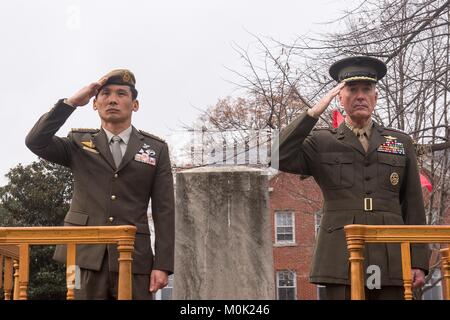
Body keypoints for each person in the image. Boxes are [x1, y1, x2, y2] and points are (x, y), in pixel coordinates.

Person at [272, 56, 430, 299]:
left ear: (375, 97)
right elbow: (277, 155)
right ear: (339, 97)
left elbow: (413, 205)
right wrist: (312, 114)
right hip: (340, 254)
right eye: (352, 90)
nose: (360, 96)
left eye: (367, 90)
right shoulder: (322, 141)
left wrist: (419, 260)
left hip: (392, 254)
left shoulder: (400, 142)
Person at [25, 69, 175, 300]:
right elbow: (35, 141)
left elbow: (164, 210)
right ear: (95, 104)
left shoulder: (156, 149)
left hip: (134, 257)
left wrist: (163, 264)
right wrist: (71, 103)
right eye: (105, 93)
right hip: (80, 257)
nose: (113, 99)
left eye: (122, 94)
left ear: (135, 105)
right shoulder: (78, 142)